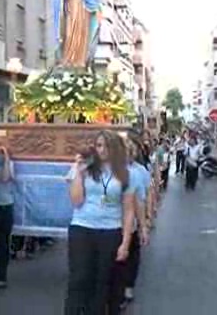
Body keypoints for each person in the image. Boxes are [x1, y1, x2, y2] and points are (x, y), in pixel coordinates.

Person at [64, 131, 135, 315]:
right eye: (99, 145)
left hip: (110, 231)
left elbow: (128, 211)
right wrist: (78, 173)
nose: (102, 150)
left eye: (106, 145)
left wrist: (125, 243)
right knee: (79, 277)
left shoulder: (126, 174)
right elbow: (76, 201)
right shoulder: (85, 168)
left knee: (103, 281)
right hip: (82, 227)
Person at [118, 136, 150, 307]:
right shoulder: (109, 171)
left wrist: (144, 224)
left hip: (129, 223)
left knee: (130, 256)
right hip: (112, 223)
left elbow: (141, 200)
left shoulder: (138, 172)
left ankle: (127, 288)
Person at [53, 0, 102, 68]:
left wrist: (97, 9)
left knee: (81, 35)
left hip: (82, 12)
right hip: (70, 12)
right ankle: (68, 59)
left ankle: (79, 60)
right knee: (70, 34)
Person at [0, 141, 15, 289]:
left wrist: (6, 158)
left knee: (3, 241)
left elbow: (6, 177)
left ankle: (2, 274)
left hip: (5, 204)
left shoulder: (9, 162)